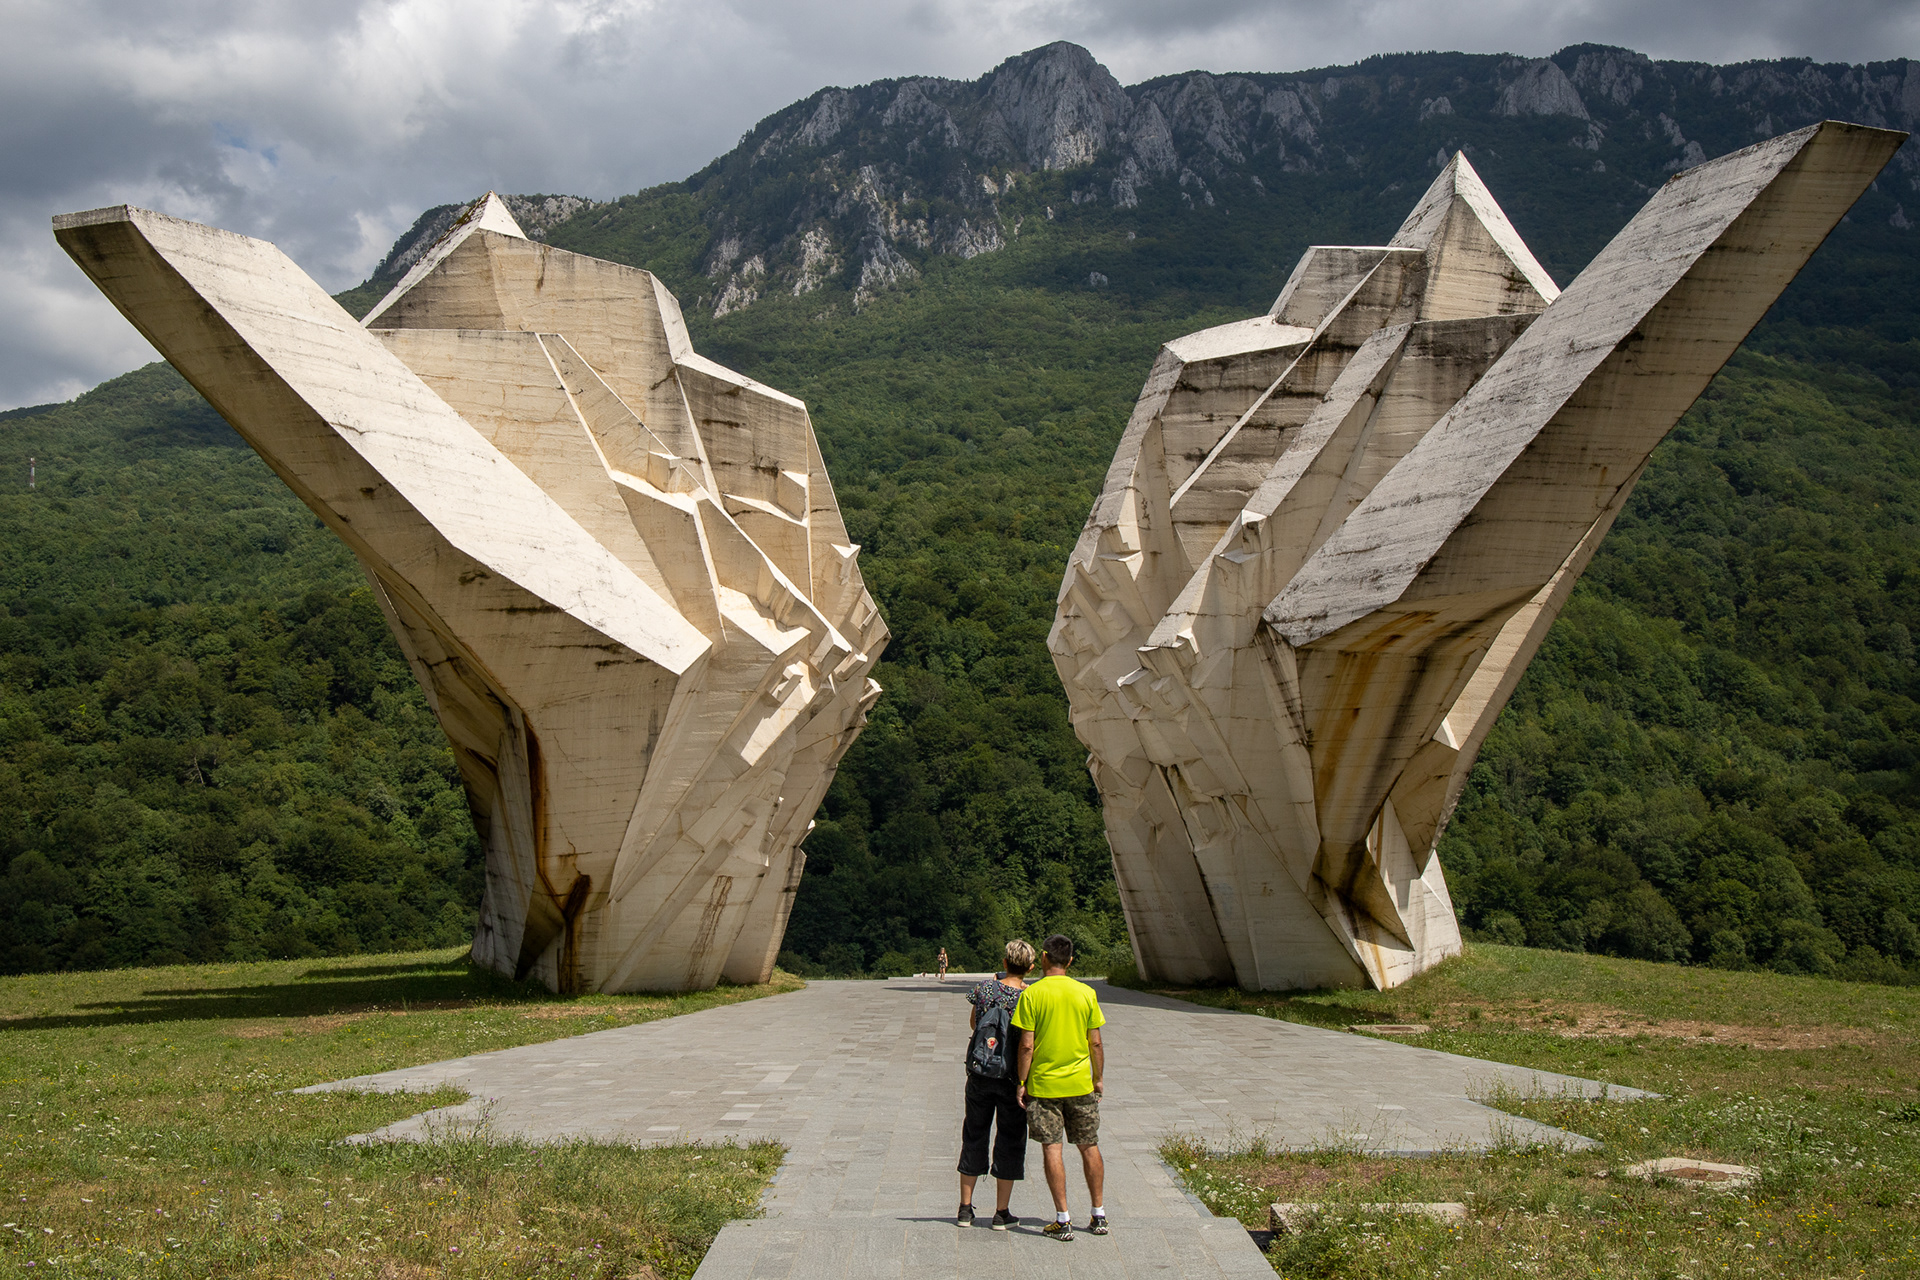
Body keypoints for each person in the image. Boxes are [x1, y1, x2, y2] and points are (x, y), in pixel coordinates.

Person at [1012, 933, 1107, 1240]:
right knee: (1089, 1145)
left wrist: (1022, 1082)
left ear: (1043, 958)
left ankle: (1063, 1220)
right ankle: (1098, 1214)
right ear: (1070, 960)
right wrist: (1097, 1078)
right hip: (1080, 1084)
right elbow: (1095, 1042)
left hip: (1044, 1086)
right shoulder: (1086, 993)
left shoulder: (1032, 995)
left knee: (1052, 1148)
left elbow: (1027, 1045)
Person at [955, 939, 1036, 1229]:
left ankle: (965, 1208)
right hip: (1012, 1077)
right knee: (1010, 1139)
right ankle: (1001, 1212)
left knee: (974, 1134)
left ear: (1004, 963)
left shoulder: (984, 989)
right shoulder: (1030, 996)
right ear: (1030, 967)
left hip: (980, 1073)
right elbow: (1029, 1040)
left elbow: (974, 1024)